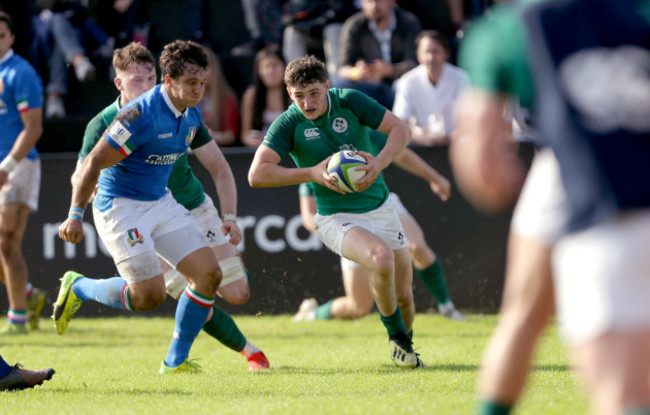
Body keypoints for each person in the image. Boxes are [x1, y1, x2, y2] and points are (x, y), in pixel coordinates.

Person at [450, 0, 650, 414]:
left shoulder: (507, 31)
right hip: (584, 175)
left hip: (596, 197)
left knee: (621, 396)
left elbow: (484, 171)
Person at [68, 41, 268, 371]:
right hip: (121, 206)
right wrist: (75, 215)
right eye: (191, 83)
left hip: (161, 201)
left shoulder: (191, 113)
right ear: (170, 81)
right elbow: (91, 164)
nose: (199, 90)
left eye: (202, 82)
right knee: (149, 297)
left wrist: (228, 216)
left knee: (209, 276)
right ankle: (79, 286)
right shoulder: (137, 115)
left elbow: (218, 166)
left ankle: (174, 363)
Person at [249, 55, 424, 368]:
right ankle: (396, 339)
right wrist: (312, 173)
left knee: (405, 297)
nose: (307, 102)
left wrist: (378, 163)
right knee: (380, 258)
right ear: (290, 94)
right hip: (335, 218)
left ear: (327, 87)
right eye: (299, 96)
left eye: (314, 93)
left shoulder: (350, 101)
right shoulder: (289, 123)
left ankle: (405, 346)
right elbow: (256, 174)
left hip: (382, 208)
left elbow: (401, 130)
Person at [294, 134, 464, 321]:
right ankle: (312, 314)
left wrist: (435, 177)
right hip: (346, 221)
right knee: (358, 307)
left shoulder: (361, 130)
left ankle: (447, 308)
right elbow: (308, 215)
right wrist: (337, 233)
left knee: (417, 247)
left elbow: (401, 154)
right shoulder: (314, 155)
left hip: (382, 206)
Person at [0, 12, 47, 336]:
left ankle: (17, 317)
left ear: (12, 38)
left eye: (0, 35)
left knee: (5, 241)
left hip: (18, 166)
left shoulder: (21, 72)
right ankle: (29, 295)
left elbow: (33, 129)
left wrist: (7, 166)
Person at [335, 0, 421, 108]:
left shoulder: (408, 22)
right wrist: (358, 72)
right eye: (369, 1)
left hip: (399, 82)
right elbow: (343, 68)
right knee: (340, 87)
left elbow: (415, 64)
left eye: (379, 1)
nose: (374, 6)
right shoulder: (355, 25)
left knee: (403, 85)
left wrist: (390, 70)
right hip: (368, 85)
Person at [392, 30, 469, 146]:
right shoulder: (407, 82)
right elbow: (401, 122)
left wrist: (454, 136)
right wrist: (420, 137)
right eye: (427, 52)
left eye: (435, 52)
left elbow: (471, 118)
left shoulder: (461, 78)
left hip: (456, 142)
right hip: (419, 143)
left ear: (446, 54)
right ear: (418, 55)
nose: (431, 58)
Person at [240, 44, 291, 148]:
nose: (270, 71)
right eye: (266, 67)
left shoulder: (293, 95)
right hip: (261, 150)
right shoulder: (251, 95)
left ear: (285, 67)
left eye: (275, 65)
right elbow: (245, 135)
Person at [198, 48, 239, 147]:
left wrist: (214, 136)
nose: (202, 72)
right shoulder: (184, 100)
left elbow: (231, 135)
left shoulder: (226, 99)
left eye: (206, 67)